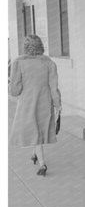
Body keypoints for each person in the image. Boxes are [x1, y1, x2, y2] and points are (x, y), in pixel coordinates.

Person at [9, 35, 62, 176]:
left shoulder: (18, 63)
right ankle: (35, 154)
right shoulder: (49, 63)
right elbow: (54, 87)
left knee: (33, 131)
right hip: (45, 102)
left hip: (27, 103)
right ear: (41, 46)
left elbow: (14, 91)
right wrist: (58, 104)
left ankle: (42, 164)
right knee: (38, 130)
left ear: (25, 47)